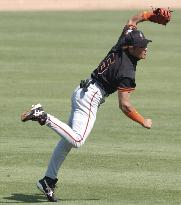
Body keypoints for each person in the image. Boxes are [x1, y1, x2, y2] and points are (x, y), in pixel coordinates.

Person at [21, 8, 171, 202]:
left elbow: (133, 19)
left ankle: (47, 181)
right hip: (91, 97)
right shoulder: (127, 71)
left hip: (81, 90)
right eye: (141, 46)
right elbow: (125, 106)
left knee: (66, 142)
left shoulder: (123, 40)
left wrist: (149, 15)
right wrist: (143, 121)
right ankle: (43, 116)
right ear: (132, 47)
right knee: (77, 140)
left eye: (145, 44)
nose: (145, 48)